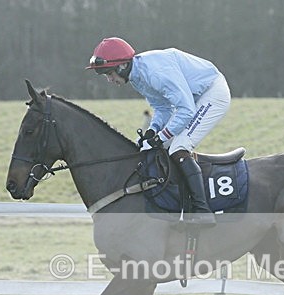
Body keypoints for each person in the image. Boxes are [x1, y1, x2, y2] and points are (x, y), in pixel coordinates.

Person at [87, 37, 231, 226]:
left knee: (179, 146)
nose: (109, 79)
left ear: (122, 66)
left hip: (212, 92)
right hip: (193, 97)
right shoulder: (137, 77)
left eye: (109, 73)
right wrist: (153, 131)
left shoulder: (154, 74)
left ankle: (202, 210)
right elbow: (163, 108)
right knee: (159, 147)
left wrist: (162, 136)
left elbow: (186, 109)